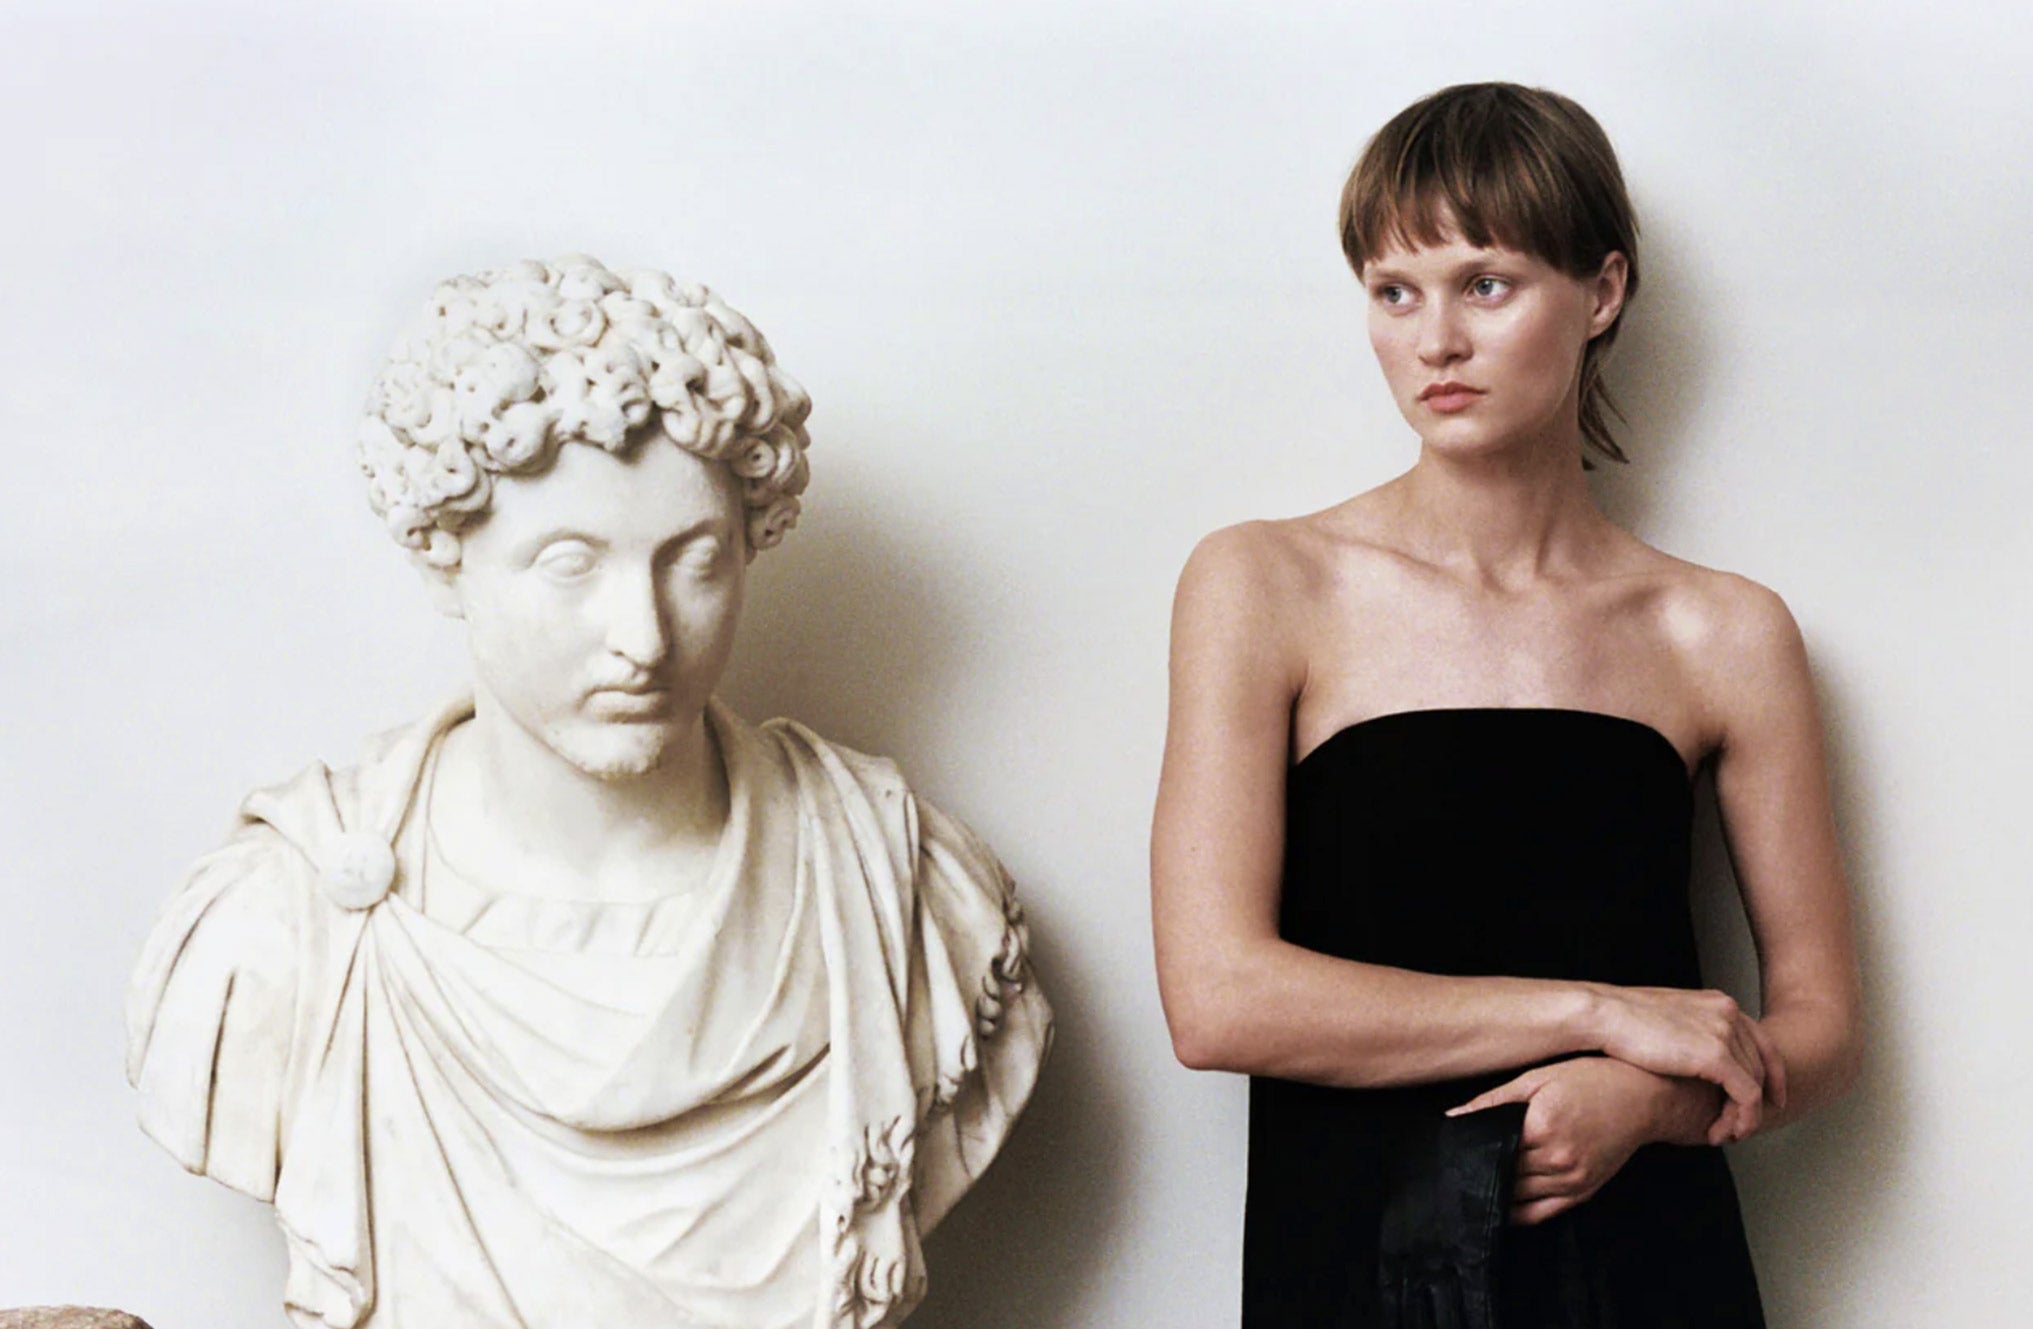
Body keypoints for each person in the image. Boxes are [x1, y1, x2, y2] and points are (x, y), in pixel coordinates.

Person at [127, 257, 1051, 1329]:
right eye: (570, 565)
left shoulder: (905, 895)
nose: (643, 638)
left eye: (693, 561)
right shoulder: (278, 926)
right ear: (443, 558)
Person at [1151, 84, 1861, 1326]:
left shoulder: (1724, 631)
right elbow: (1215, 1001)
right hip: (1359, 1267)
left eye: (1483, 284)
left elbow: (1823, 1026)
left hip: (1647, 1271)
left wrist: (1651, 1101)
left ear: (1600, 292)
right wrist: (1593, 1015)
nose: (1433, 341)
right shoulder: (1262, 583)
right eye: (1393, 291)